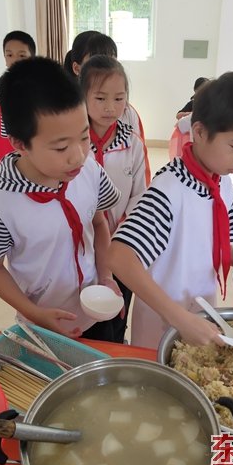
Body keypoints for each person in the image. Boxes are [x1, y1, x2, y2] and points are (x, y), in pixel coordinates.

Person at [107, 72, 233, 350]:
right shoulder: (169, 191)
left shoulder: (220, 181)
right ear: (198, 132)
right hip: (162, 326)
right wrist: (179, 318)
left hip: (200, 317)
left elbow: (209, 241)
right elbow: (119, 256)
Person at [0, 56, 124, 343]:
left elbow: (99, 221)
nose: (78, 155)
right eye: (60, 147)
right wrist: (34, 312)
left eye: (83, 138)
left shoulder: (89, 170)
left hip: (95, 310)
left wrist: (106, 276)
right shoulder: (1, 205)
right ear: (21, 144)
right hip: (43, 325)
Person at [79, 55, 150, 341]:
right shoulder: (73, 141)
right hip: (82, 246)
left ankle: (117, 343)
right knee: (88, 315)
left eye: (119, 99)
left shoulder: (132, 143)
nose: (110, 107)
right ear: (82, 96)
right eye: (100, 98)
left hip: (121, 243)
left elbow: (140, 196)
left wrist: (121, 233)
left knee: (117, 309)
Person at [64, 31, 146, 143]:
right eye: (96, 62)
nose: (106, 69)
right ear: (77, 68)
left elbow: (139, 153)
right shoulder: (63, 111)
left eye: (111, 60)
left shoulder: (127, 113)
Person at [0, 31, 36, 164]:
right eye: (9, 55)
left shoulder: (38, 82)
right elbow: (5, 135)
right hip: (14, 143)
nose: (15, 60)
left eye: (22, 55)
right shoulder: (5, 83)